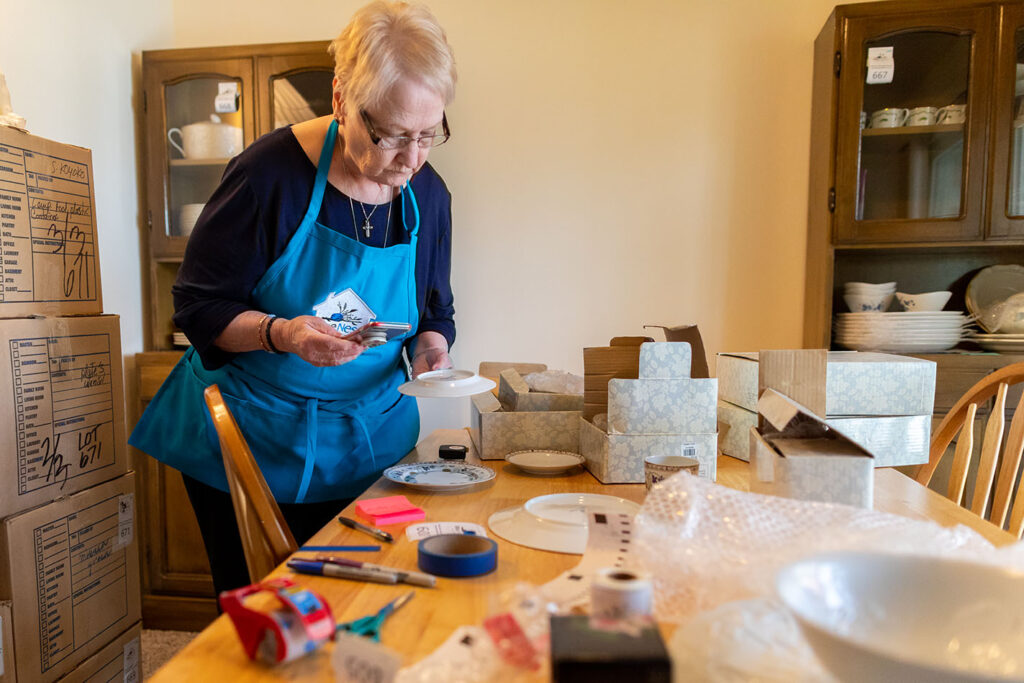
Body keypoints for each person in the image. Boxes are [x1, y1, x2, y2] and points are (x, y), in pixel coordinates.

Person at [130, 0, 457, 596]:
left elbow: (435, 310)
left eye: (428, 135)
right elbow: (199, 308)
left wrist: (434, 350)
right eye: (389, 136)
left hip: (369, 445)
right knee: (269, 618)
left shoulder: (428, 194)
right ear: (340, 100)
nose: (410, 160)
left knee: (360, 604)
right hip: (255, 442)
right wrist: (283, 333)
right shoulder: (268, 177)